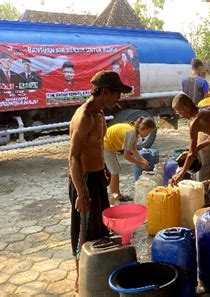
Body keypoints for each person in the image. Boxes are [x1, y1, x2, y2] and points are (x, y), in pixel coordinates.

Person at [68, 70, 132, 292]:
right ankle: (81, 279)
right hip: (83, 180)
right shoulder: (84, 116)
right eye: (117, 94)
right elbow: (73, 158)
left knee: (100, 230)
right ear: (104, 92)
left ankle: (98, 275)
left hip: (96, 177)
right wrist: (81, 193)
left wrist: (104, 169)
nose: (119, 99)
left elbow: (97, 148)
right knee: (83, 231)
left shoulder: (101, 114)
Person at [104, 117, 156, 203]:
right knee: (115, 171)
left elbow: (133, 149)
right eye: (148, 132)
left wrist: (143, 160)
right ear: (143, 128)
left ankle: (116, 194)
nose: (147, 135)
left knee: (116, 170)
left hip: (109, 145)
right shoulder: (131, 133)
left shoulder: (134, 131)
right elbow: (126, 156)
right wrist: (140, 163)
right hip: (105, 145)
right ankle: (115, 196)